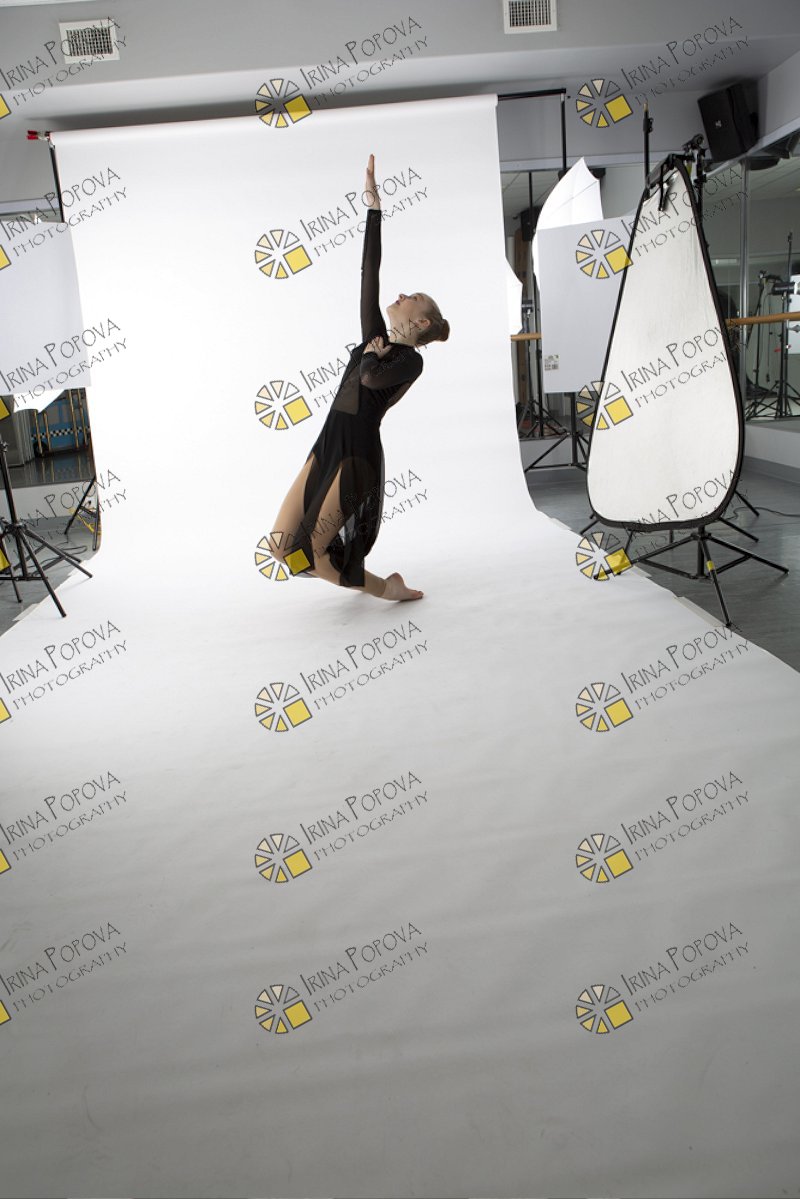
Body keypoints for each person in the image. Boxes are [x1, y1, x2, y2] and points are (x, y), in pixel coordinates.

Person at [268, 154, 449, 602]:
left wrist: (370, 357)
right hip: (329, 441)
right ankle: (340, 571)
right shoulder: (377, 337)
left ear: (422, 323)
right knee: (281, 548)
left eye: (413, 297)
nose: (401, 294)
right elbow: (371, 273)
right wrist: (374, 208)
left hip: (357, 456)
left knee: (316, 553)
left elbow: (369, 380)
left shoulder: (410, 361)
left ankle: (390, 590)